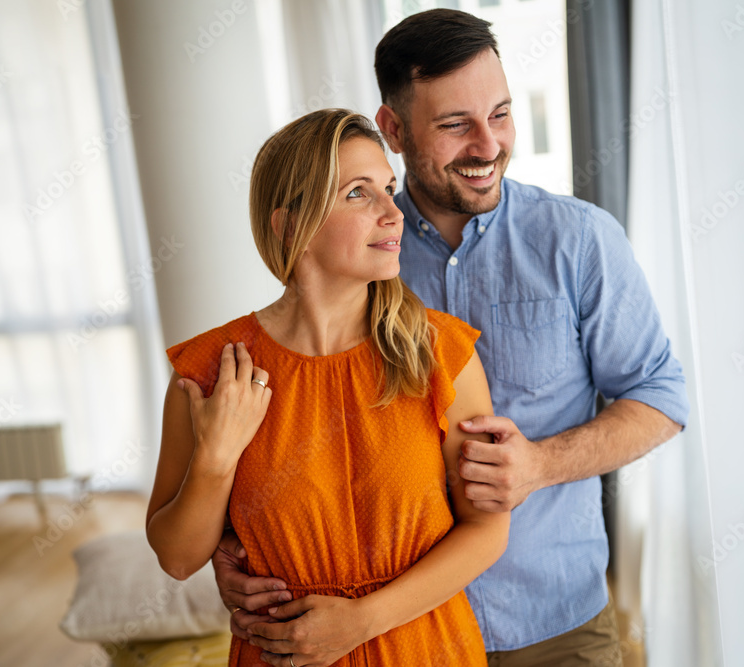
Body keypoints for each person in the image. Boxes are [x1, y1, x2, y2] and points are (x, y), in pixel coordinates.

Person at [213, 9, 690, 666]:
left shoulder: (580, 241)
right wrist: (235, 544)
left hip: (553, 626)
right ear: (394, 130)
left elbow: (661, 398)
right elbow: (303, 417)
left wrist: (540, 465)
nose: (488, 145)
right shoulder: (358, 249)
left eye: (500, 114)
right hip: (400, 639)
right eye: (454, 125)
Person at [147, 109, 510, 666]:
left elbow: (487, 531)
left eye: (389, 189)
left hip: (427, 648)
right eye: (359, 194)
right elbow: (176, 557)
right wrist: (217, 457)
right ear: (291, 226)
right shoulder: (211, 372)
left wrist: (361, 623)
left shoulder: (439, 354)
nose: (393, 213)